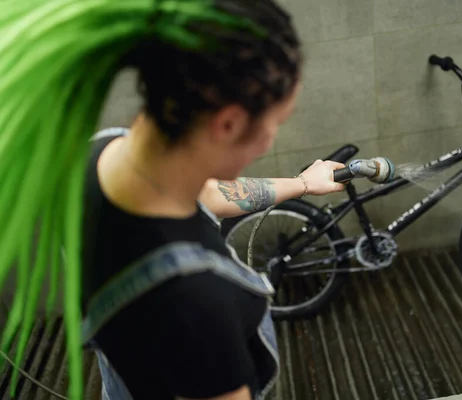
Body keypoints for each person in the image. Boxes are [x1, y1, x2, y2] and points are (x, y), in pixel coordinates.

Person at [0, 1, 345, 400]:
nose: (272, 137)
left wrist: (302, 184)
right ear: (228, 123)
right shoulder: (196, 304)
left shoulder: (102, 154)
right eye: (276, 122)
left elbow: (208, 195)